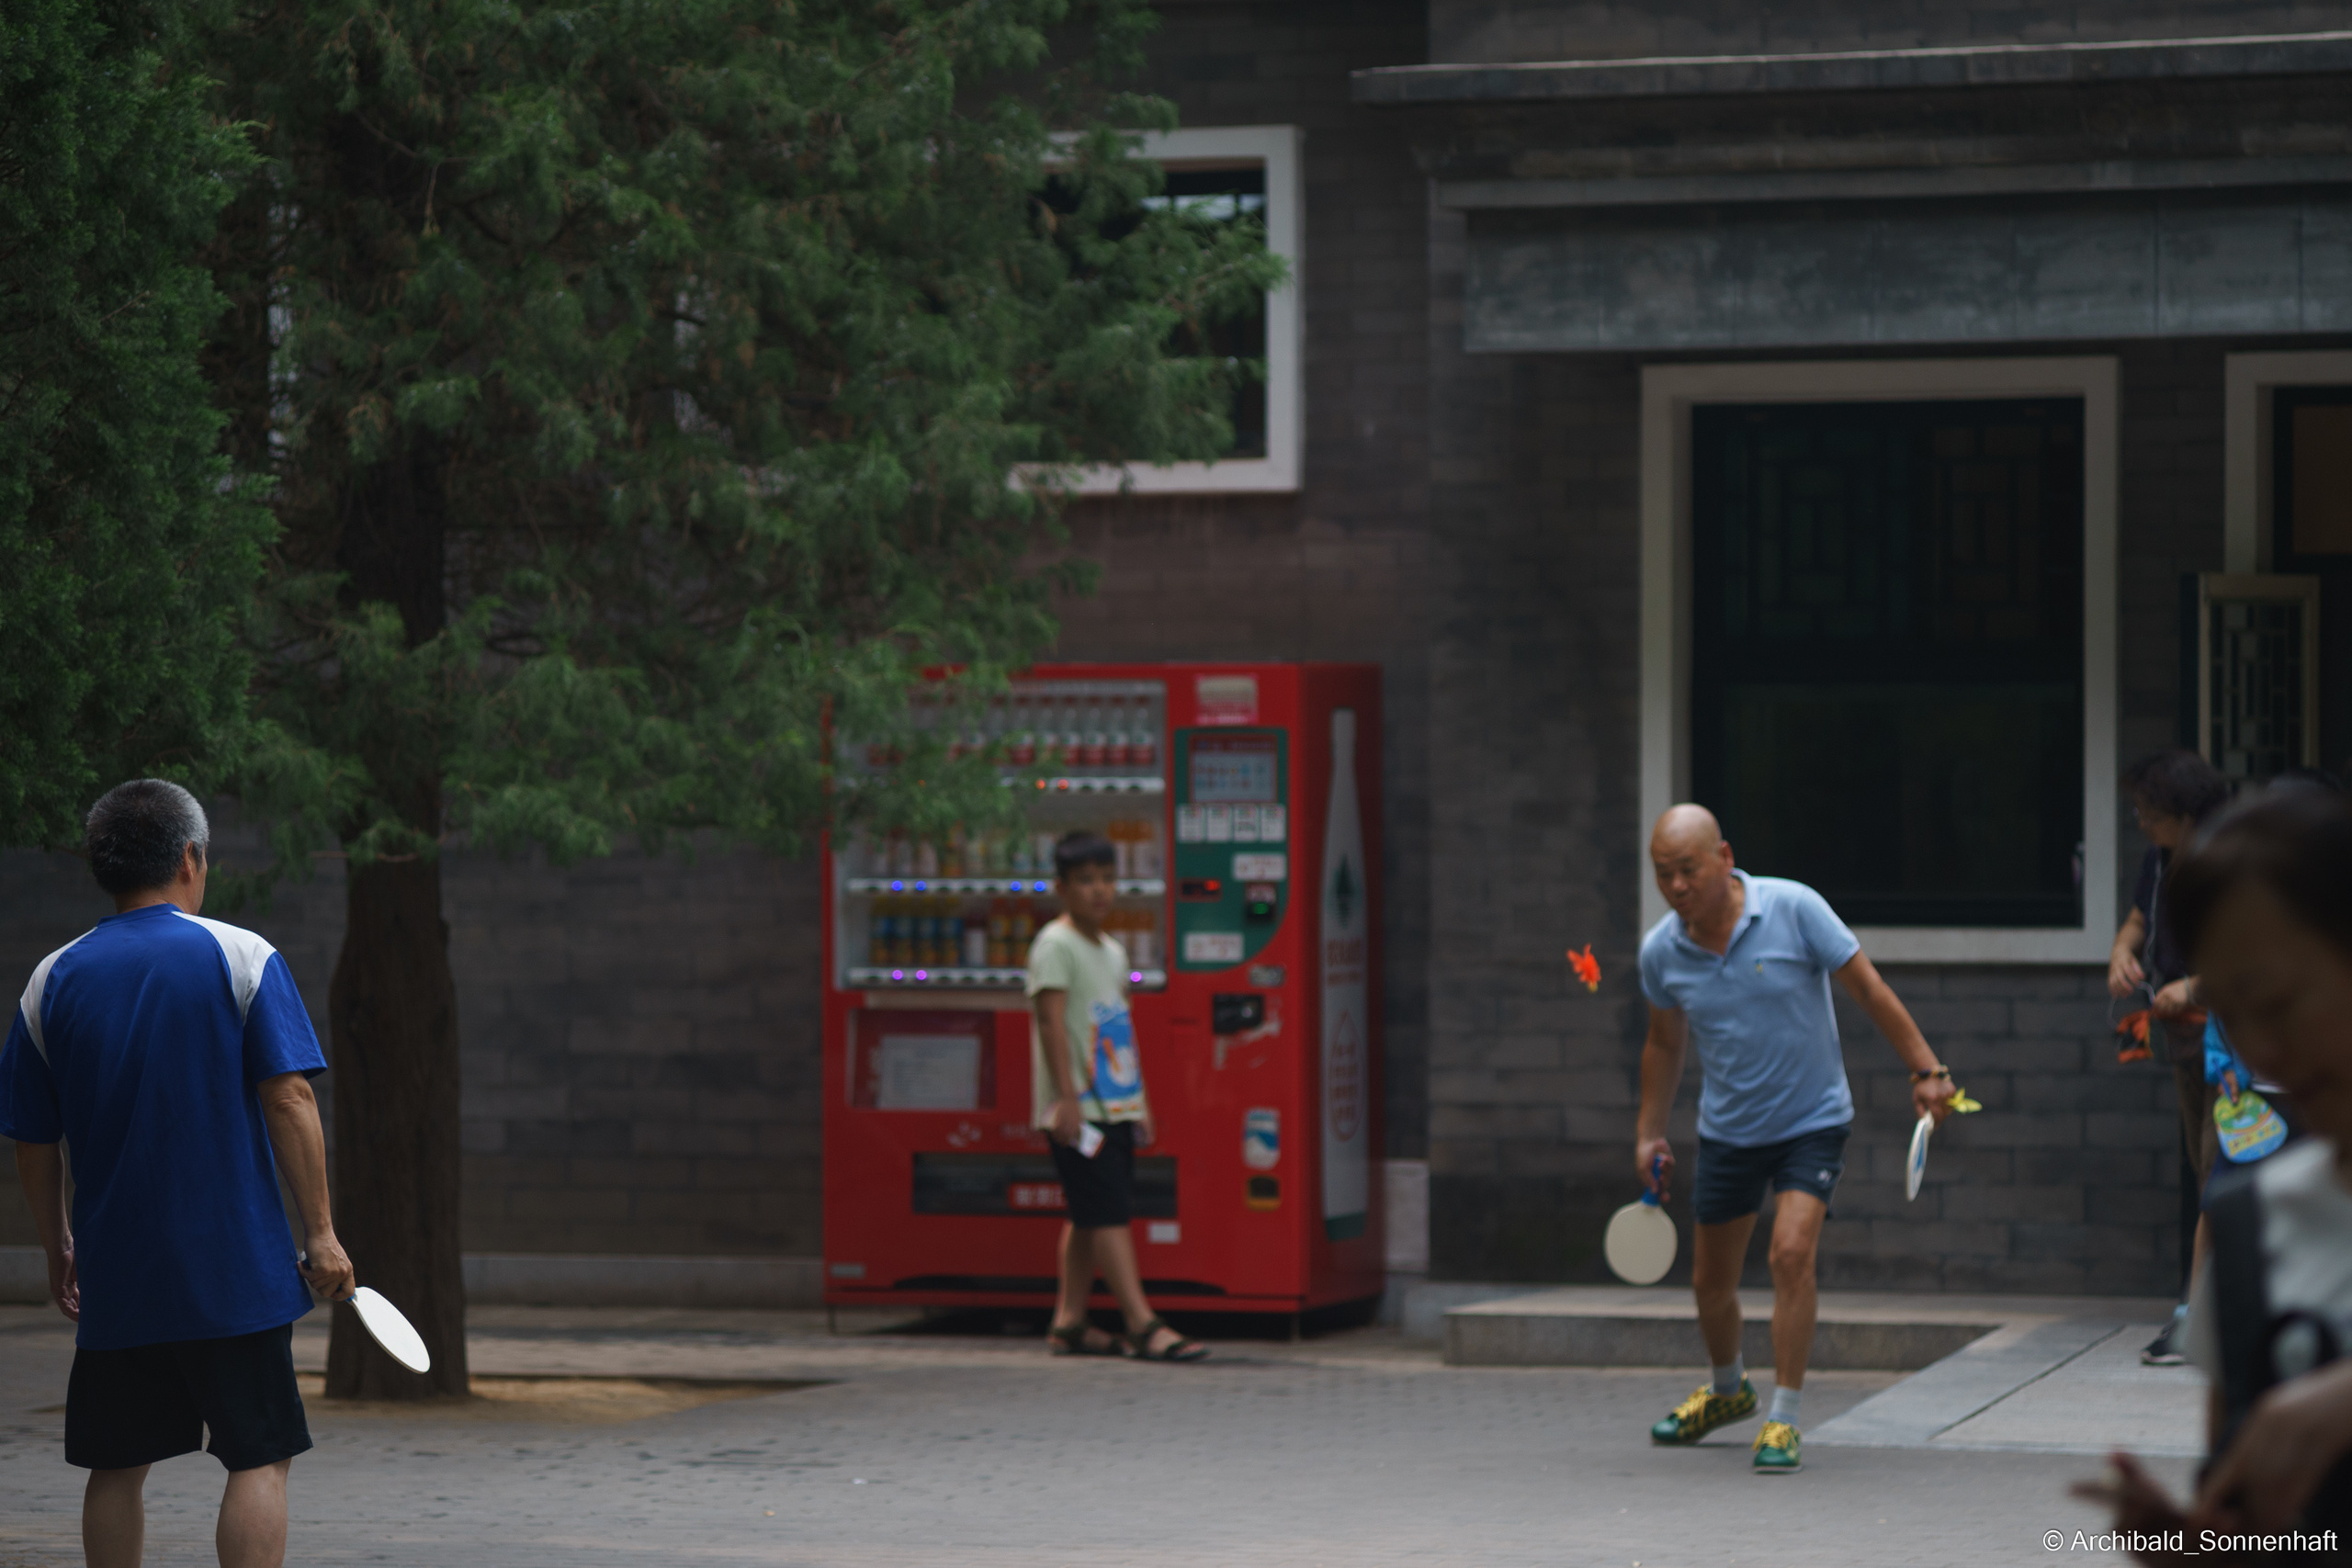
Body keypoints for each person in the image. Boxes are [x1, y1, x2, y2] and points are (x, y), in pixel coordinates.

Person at [0, 781, 355, 1568]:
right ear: (191, 858)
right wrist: (322, 1233)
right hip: (235, 1271)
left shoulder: (48, 980)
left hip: (120, 1274)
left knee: (117, 1463)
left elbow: (32, 1138)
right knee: (258, 1455)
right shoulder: (241, 955)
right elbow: (290, 1095)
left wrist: (56, 1241)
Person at [1635, 805, 1954, 1474]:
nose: (1677, 886)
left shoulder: (1794, 908)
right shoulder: (1662, 950)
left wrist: (1927, 1068)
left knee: (1789, 1253)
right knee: (1710, 1284)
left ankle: (1783, 1416)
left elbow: (1868, 988)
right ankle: (1729, 1391)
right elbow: (1665, 1041)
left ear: (1724, 856)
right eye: (1664, 875)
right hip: (1728, 1131)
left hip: (1812, 1121)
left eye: (1688, 869)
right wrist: (1649, 1133)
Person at [2075, 784, 2352, 1551]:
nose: (2265, 1047)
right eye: (2234, 1006)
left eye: (2282, 994)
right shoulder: (2250, 1230)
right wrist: (2193, 1542)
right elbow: (2256, 1528)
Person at [1029, 829, 1205, 1363]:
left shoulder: (1110, 949)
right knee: (1108, 1211)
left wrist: (1140, 1104)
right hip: (1079, 1110)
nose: (1099, 890)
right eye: (1086, 881)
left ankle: (1070, 1322)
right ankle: (1141, 1322)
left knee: (1088, 1212)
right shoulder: (1055, 945)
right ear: (1061, 887)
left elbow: (1119, 1030)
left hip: (1115, 1104)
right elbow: (1051, 1025)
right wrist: (1067, 1100)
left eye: (1107, 879)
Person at [2109, 750, 2232, 1365]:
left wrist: (2196, 986)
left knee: (2220, 1172)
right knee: (2204, 1166)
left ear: (2185, 816)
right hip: (2184, 1040)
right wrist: (2120, 952)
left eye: (2149, 814)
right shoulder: (2161, 861)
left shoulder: (2232, 861)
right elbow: (2135, 922)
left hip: (2237, 1045)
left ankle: (2200, 1315)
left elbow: (2256, 957)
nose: (2140, 824)